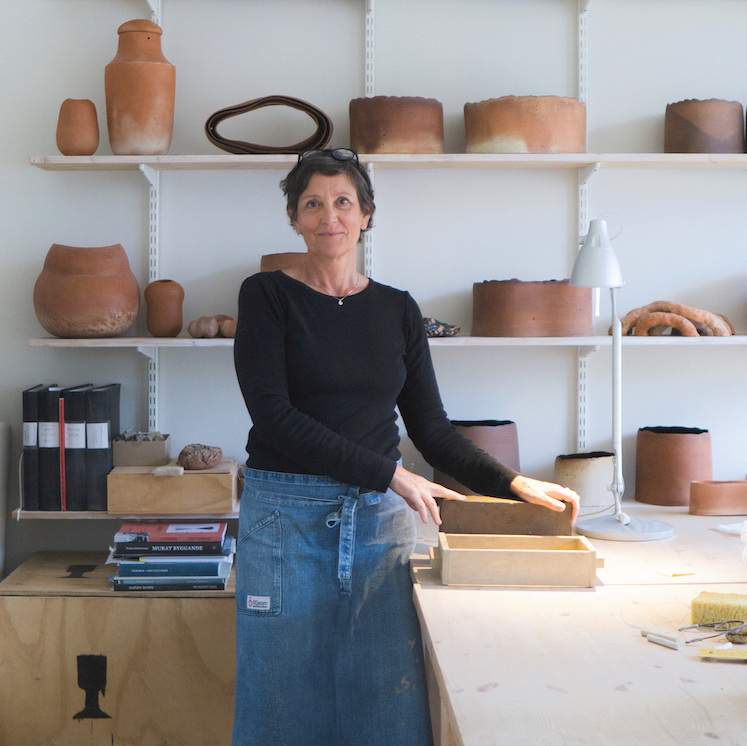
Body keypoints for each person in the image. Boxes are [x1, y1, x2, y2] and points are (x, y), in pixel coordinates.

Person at [231, 148, 580, 746]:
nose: (328, 216)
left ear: (366, 214)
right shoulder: (266, 297)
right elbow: (276, 418)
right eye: (312, 203)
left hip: (376, 526)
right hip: (284, 517)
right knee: (281, 705)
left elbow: (433, 430)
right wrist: (391, 475)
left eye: (343, 201)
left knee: (384, 704)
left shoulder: (396, 308)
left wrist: (514, 484)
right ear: (293, 217)